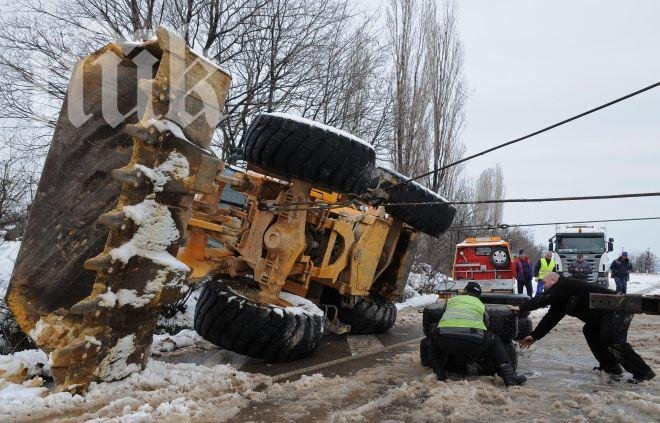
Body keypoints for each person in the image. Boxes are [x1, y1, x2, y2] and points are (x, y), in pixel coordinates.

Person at [513, 272, 655, 384]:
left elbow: (544, 298)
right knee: (590, 331)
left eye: (544, 283)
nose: (543, 286)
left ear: (554, 280)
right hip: (602, 316)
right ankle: (611, 367)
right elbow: (550, 319)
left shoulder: (564, 284)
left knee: (612, 340)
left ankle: (643, 372)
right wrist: (535, 335)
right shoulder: (561, 299)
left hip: (618, 308)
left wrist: (521, 307)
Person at [428, 281, 527, 386]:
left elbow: (442, 314)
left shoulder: (451, 300)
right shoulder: (480, 304)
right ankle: (509, 377)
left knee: (433, 331)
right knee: (495, 340)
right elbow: (486, 323)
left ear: (465, 291)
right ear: (478, 296)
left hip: (445, 339)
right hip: (473, 340)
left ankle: (439, 374)